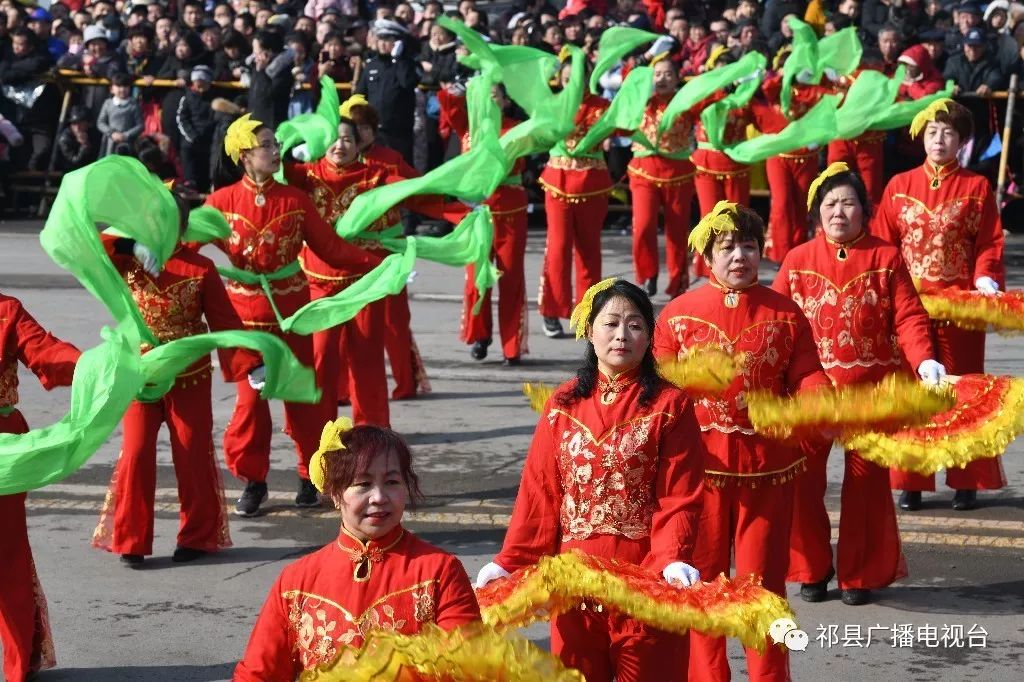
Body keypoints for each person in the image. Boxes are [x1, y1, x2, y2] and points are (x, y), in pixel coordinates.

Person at [477, 279, 705, 681]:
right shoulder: (563, 404)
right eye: (611, 323)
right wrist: (512, 561)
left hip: (646, 575)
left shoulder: (672, 405)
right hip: (574, 581)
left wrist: (672, 559)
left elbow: (679, 496)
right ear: (589, 330)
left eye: (635, 325)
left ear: (649, 336)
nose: (622, 335)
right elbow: (540, 492)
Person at [653, 203, 830, 681]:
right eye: (727, 248)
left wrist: (816, 400)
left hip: (767, 469)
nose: (739, 257)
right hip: (698, 475)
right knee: (701, 581)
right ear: (707, 258)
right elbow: (657, 392)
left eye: (748, 247)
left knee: (764, 587)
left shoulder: (785, 312)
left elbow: (808, 371)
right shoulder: (677, 314)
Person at [774, 163, 944, 606]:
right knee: (801, 483)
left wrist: (924, 361)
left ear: (864, 210)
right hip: (812, 394)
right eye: (830, 204)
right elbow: (777, 323)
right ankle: (811, 567)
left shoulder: (886, 256)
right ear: (816, 213)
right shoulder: (797, 259)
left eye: (848, 202)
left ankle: (859, 574)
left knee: (866, 486)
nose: (839, 211)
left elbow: (908, 315)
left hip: (872, 391)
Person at [203, 114, 381, 517]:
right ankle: (254, 481)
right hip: (245, 323)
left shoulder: (295, 200)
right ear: (245, 155)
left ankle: (309, 475)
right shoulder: (221, 203)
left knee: (303, 400)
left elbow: (332, 249)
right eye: (266, 145)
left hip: (291, 315)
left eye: (276, 145)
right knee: (250, 406)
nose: (274, 151)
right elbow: (183, 242)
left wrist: (379, 265)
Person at [91, 192, 263, 567]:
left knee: (192, 454)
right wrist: (129, 244)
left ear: (181, 225)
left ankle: (198, 535)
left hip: (188, 376)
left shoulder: (200, 268)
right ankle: (131, 538)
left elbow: (224, 321)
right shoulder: (126, 261)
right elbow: (87, 246)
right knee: (135, 454)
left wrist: (252, 363)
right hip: (140, 376)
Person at [235, 423, 480, 678]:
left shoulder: (440, 571)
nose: (379, 497)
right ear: (336, 493)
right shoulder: (296, 582)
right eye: (363, 483)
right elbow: (257, 673)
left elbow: (465, 669)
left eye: (392, 481)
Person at [872, 99, 1006, 511]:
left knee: (962, 390)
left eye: (948, 133)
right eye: (932, 132)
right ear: (921, 137)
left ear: (961, 140)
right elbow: (882, 245)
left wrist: (985, 274)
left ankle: (967, 479)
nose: (939, 140)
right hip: (908, 307)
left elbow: (989, 241)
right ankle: (911, 478)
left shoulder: (977, 187)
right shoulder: (898, 186)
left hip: (959, 310)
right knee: (913, 392)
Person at [0, 292, 80, 682]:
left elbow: (44, 351)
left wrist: (90, 366)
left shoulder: (5, 311)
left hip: (3, 452)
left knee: (7, 554)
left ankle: (18, 663)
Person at [439, 83, 529, 365]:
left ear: (504, 101)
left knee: (510, 279)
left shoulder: (518, 128)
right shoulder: (469, 126)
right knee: (477, 279)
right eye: (485, 97)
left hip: (510, 214)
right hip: (477, 215)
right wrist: (455, 91)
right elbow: (451, 108)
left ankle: (512, 346)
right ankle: (480, 336)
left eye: (496, 97)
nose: (490, 102)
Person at [537, 58, 612, 339]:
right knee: (557, 247)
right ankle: (552, 309)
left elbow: (625, 128)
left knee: (589, 250)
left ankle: (589, 311)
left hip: (591, 184)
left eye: (577, 79)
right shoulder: (553, 104)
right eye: (567, 79)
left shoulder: (602, 107)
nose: (572, 85)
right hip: (557, 183)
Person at [628, 56, 698, 298]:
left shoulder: (686, 102)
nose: (662, 79)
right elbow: (629, 81)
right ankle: (648, 273)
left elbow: (713, 101)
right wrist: (643, 61)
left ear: (677, 78)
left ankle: (678, 282)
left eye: (668, 74)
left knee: (677, 231)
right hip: (643, 171)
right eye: (657, 74)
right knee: (644, 226)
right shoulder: (643, 100)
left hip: (678, 172)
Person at [354, 19, 419, 164]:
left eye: (388, 39)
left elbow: (408, 83)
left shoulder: (405, 63)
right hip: (375, 128)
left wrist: (398, 59)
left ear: (397, 42)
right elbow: (359, 94)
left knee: (400, 167)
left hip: (399, 129)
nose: (383, 43)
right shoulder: (372, 65)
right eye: (380, 39)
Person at [175, 65, 217, 191]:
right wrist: (191, 136)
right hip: (191, 140)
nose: (199, 88)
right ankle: (190, 182)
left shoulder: (213, 99)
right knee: (188, 156)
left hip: (208, 141)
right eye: (197, 84)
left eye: (203, 84)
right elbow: (181, 118)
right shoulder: (187, 97)